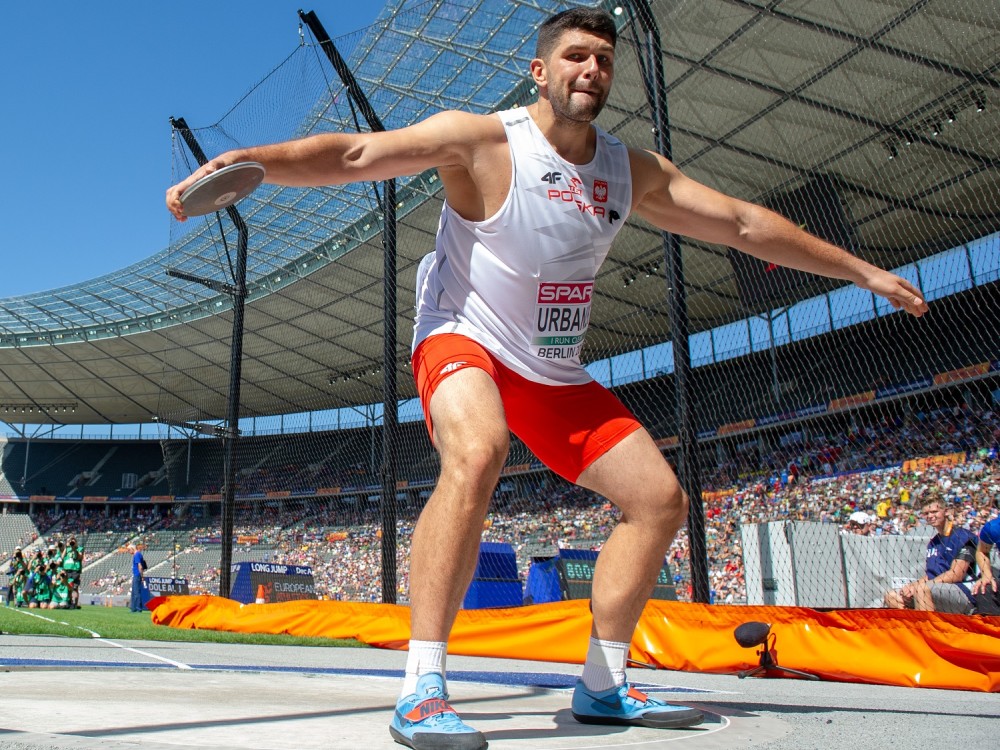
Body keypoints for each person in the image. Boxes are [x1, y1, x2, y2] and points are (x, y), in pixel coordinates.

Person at [167, 8, 928, 748]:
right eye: (575, 56)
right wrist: (253, 163)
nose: (591, 69)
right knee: (478, 453)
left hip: (551, 368)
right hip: (461, 336)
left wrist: (863, 272)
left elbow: (741, 223)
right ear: (539, 70)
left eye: (602, 60)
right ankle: (424, 685)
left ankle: (602, 683)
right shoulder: (483, 140)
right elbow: (362, 155)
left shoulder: (629, 171)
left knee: (660, 501)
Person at [883, 496, 977, 613]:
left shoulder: (962, 536)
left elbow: (956, 574)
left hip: (964, 591)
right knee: (891, 595)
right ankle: (914, 627)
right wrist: (911, 585)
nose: (930, 516)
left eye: (934, 512)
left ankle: (928, 629)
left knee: (921, 590)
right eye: (926, 513)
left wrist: (920, 586)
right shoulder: (933, 542)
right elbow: (931, 575)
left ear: (946, 511)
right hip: (936, 589)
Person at [971, 514, 1000, 615]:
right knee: (985, 588)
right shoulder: (994, 527)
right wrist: (986, 574)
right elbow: (981, 551)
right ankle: (990, 628)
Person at [61, 536, 84, 609]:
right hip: (67, 570)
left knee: (74, 587)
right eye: (71, 541)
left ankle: (76, 604)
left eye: (73, 542)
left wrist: (74, 549)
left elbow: (79, 557)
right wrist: (66, 547)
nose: (72, 543)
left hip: (75, 570)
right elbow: (62, 557)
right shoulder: (67, 549)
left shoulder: (80, 548)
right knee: (68, 587)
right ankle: (69, 602)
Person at [130, 544, 148, 613]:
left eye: (129, 550)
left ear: (132, 548)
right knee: (134, 592)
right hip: (136, 575)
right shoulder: (137, 554)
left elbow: (140, 566)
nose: (129, 552)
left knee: (136, 592)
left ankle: (138, 608)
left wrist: (142, 576)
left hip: (137, 575)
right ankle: (133, 608)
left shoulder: (137, 555)